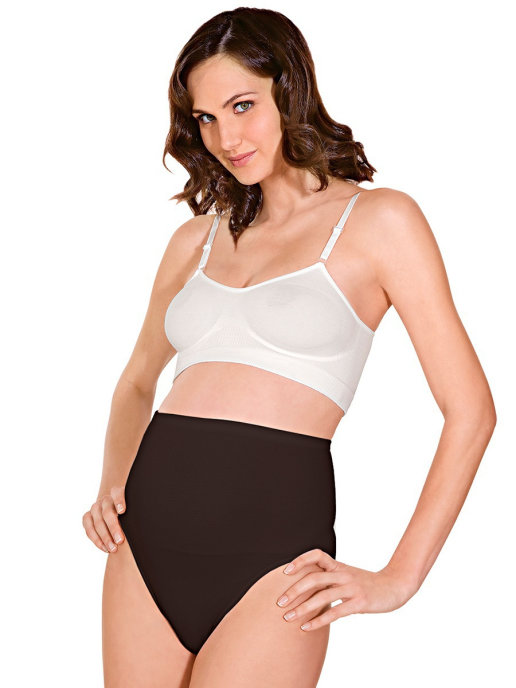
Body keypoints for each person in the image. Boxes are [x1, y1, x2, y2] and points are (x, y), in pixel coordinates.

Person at [82, 8, 496, 688]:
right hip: (146, 544)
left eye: (242, 105)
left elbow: (471, 411)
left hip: (275, 556)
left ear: (290, 89)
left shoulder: (380, 221)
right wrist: (111, 481)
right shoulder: (194, 240)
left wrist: (399, 578)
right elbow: (136, 382)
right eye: (206, 117)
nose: (226, 137)